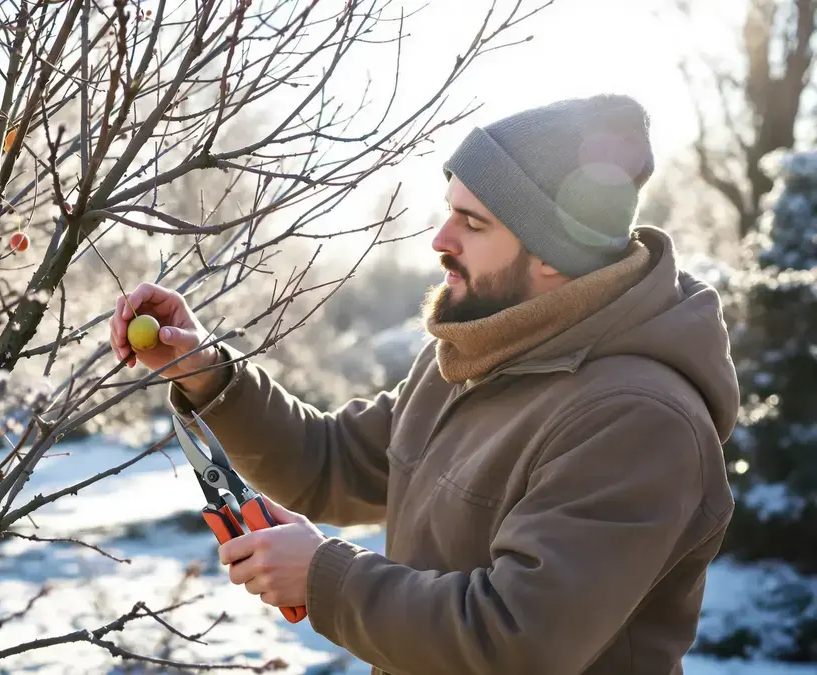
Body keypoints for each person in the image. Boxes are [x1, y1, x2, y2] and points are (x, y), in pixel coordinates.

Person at [108, 94, 739, 675]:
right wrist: (208, 372)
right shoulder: (474, 355)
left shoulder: (637, 420)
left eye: (474, 222)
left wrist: (323, 577)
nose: (440, 240)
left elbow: (518, 638)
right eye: (449, 212)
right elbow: (331, 463)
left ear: (554, 254)